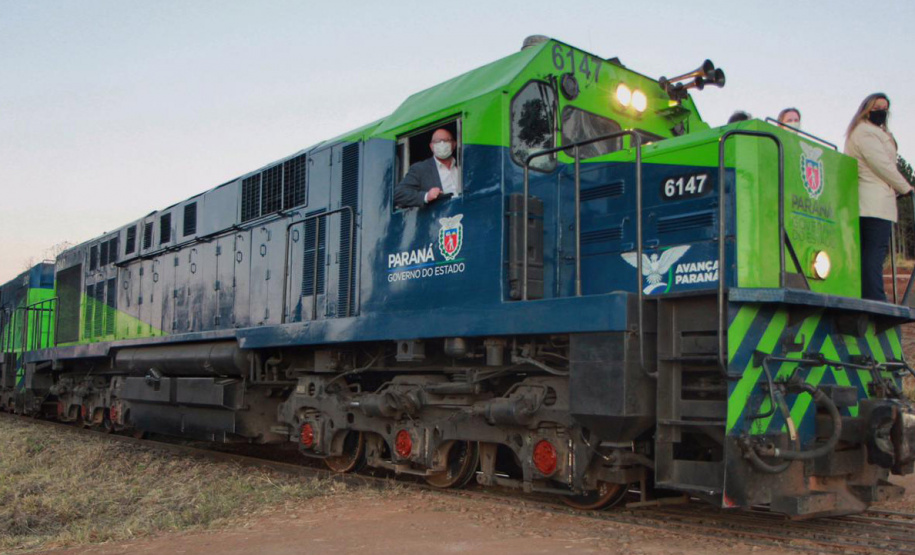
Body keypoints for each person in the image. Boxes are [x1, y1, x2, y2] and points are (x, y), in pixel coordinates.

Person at [844, 93, 913, 301]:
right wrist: (906, 188)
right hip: (872, 203)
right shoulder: (864, 133)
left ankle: (872, 295)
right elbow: (881, 164)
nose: (882, 111)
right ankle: (874, 297)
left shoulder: (874, 132)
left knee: (873, 253)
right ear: (867, 109)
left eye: (885, 108)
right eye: (877, 107)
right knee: (873, 253)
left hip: (877, 201)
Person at [394, 128, 461, 208]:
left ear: (454, 144)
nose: (442, 144)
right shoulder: (420, 169)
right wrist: (426, 196)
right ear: (431, 146)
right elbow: (399, 193)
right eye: (437, 141)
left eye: (446, 140)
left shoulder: (463, 166)